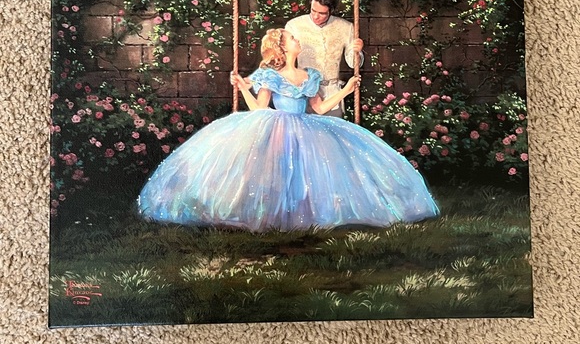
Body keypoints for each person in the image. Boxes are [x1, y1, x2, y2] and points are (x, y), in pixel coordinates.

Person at [137, 28, 439, 232]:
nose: (297, 39)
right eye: (292, 38)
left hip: (306, 126)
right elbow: (259, 109)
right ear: (282, 47)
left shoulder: (309, 75)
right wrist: (243, 88)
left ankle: (303, 215)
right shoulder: (270, 75)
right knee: (276, 171)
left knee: (308, 172)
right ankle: (272, 215)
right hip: (278, 126)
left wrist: (346, 90)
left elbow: (319, 109)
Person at [285, 0, 363, 117]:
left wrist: (357, 51)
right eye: (313, 10)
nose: (316, 16)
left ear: (331, 11)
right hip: (303, 91)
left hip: (333, 92)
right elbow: (285, 59)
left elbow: (353, 63)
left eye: (322, 13)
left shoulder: (346, 27)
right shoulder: (294, 25)